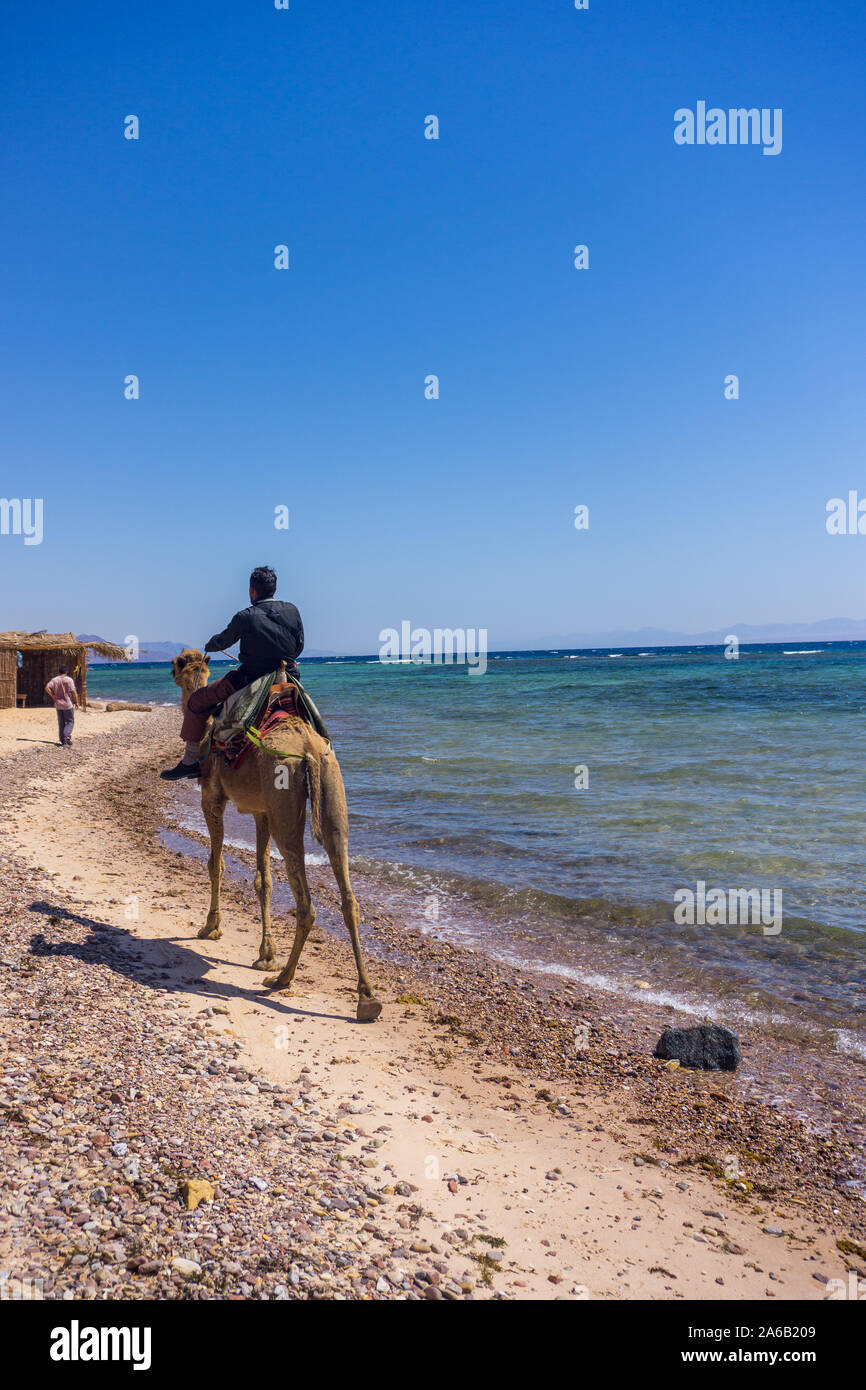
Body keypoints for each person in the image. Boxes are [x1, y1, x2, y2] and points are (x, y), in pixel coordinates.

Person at [160, 566, 304, 780]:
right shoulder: (292, 610)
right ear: (274, 588)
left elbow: (224, 640)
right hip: (289, 676)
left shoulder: (245, 616)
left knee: (197, 701)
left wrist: (212, 644)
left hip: (250, 679)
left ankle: (190, 762)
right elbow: (299, 646)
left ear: (251, 590)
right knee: (310, 716)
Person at [44, 665, 79, 747]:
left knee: (61, 722)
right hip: (67, 704)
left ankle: (62, 740)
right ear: (66, 672)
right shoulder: (69, 680)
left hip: (58, 704)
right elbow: (73, 692)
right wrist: (76, 702)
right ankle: (67, 735)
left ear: (59, 672)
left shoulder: (55, 680)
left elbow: (46, 687)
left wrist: (52, 695)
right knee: (70, 721)